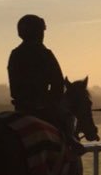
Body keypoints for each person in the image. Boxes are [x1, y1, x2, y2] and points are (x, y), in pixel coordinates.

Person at [7, 14, 84, 154]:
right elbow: (58, 83)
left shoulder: (15, 53)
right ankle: (71, 142)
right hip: (44, 107)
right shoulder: (45, 53)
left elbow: (14, 86)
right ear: (38, 32)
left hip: (20, 107)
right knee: (67, 120)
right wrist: (51, 101)